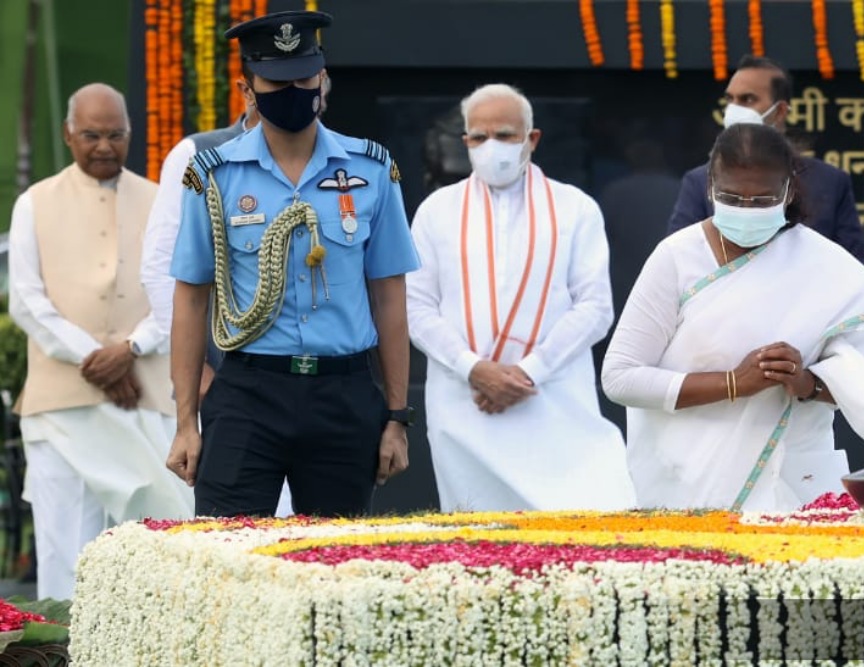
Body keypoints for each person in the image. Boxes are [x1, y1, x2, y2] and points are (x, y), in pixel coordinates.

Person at [602, 124, 864, 512]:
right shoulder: (676, 258)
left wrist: (806, 383)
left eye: (762, 199)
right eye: (732, 197)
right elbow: (620, 377)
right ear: (710, 187)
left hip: (794, 481)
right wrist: (735, 383)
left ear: (789, 191)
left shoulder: (827, 267)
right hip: (683, 482)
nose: (746, 209)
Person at [167, 10, 420, 517]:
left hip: (343, 393)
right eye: (277, 82)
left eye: (304, 78)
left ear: (323, 80)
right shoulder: (214, 176)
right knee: (226, 554)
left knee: (334, 568)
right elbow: (192, 298)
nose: (293, 90)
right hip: (248, 392)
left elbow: (389, 297)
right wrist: (185, 423)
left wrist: (396, 418)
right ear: (248, 90)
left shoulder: (370, 171)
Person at [407, 84, 636, 512]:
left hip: (554, 400)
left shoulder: (575, 207)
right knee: (478, 542)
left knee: (586, 526)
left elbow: (595, 308)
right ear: (466, 143)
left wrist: (528, 373)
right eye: (479, 137)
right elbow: (415, 308)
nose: (491, 146)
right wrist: (473, 368)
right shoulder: (437, 210)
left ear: (532, 139)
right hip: (465, 403)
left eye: (505, 135)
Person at [7, 83, 193, 599]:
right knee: (64, 548)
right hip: (63, 403)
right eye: (91, 135)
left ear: (130, 134)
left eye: (115, 135)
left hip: (147, 395)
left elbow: (180, 293)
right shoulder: (34, 203)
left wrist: (129, 350)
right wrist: (96, 360)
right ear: (69, 135)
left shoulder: (161, 200)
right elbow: (27, 300)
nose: (104, 146)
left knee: (162, 541)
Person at [664, 55, 864, 264]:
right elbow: (679, 261)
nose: (733, 109)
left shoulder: (831, 182)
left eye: (747, 99)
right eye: (730, 99)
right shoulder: (699, 180)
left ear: (779, 111)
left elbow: (852, 270)